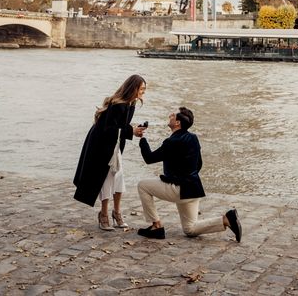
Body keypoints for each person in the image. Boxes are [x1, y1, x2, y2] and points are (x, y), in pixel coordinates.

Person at [136, 107, 242, 242]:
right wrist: (187, 175)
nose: (170, 115)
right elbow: (199, 164)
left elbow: (149, 158)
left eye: (173, 115)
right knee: (190, 229)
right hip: (194, 189)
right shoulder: (193, 138)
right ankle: (226, 219)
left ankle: (156, 226)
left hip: (179, 189)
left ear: (178, 122)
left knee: (142, 186)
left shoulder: (171, 142)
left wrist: (143, 138)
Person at [73, 74, 147, 230]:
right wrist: (131, 131)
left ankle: (116, 212)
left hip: (113, 145)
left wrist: (133, 130)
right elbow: (109, 129)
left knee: (119, 178)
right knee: (107, 178)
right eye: (141, 89)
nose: (143, 93)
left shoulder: (130, 104)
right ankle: (104, 214)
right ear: (133, 88)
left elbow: (121, 126)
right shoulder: (118, 105)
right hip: (102, 145)